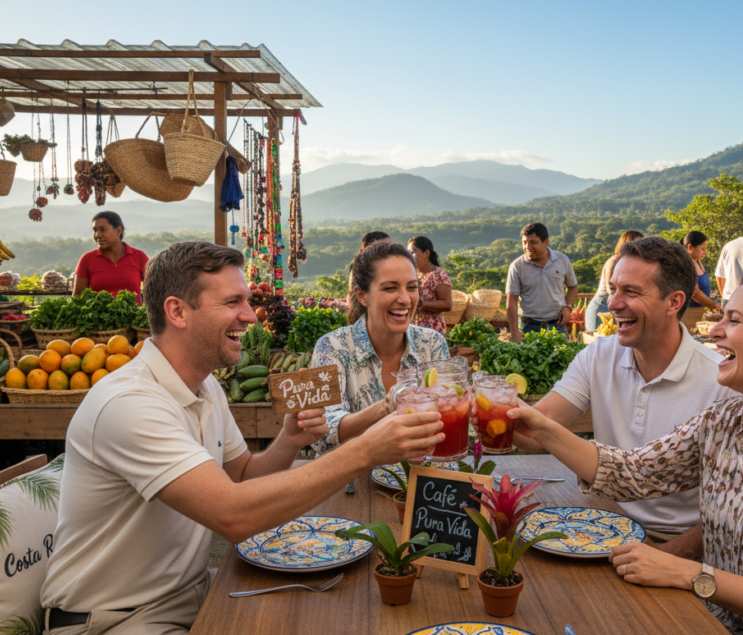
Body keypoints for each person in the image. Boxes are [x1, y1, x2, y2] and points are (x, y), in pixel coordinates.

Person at [40, 242, 442, 635]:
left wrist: (289, 440)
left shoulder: (203, 385)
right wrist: (367, 449)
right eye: (233, 303)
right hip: (115, 617)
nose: (250, 316)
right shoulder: (129, 404)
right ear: (177, 311)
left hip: (188, 594)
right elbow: (234, 515)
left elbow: (244, 475)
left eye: (247, 301)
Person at [508, 270, 743, 634]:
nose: (716, 331)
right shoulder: (724, 422)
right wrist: (540, 425)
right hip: (715, 622)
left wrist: (689, 573)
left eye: (733, 321)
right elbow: (632, 473)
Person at [501, 236, 735, 558]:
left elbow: (729, 514)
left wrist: (665, 558)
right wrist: (490, 408)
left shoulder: (721, 382)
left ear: (674, 302)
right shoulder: (598, 354)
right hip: (602, 524)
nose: (612, 304)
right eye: (613, 289)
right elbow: (533, 431)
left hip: (678, 547)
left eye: (631, 292)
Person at [312, 241, 451, 454]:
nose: (405, 299)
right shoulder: (333, 347)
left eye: (412, 287)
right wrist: (385, 407)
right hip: (353, 482)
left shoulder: (432, 344)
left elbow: (447, 416)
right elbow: (323, 435)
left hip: (419, 477)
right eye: (389, 288)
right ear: (362, 296)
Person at [506, 222, 578, 342]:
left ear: (546, 242)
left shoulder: (562, 260)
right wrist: (515, 332)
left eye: (533, 242)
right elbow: (511, 300)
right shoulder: (517, 266)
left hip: (557, 326)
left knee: (564, 360)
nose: (528, 247)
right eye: (524, 242)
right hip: (528, 327)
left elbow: (572, 286)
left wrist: (568, 307)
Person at [73, 211, 149, 304]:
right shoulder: (87, 259)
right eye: (95, 230)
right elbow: (78, 296)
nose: (97, 235)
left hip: (132, 317)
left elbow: (155, 289)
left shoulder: (139, 257)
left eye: (103, 230)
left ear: (118, 231)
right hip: (97, 318)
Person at [585, 230, 643, 332]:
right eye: (636, 243)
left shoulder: (628, 263)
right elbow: (610, 289)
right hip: (601, 307)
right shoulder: (614, 261)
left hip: (615, 307)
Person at [408, 235, 453, 334]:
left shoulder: (438, 274)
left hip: (432, 331)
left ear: (426, 253)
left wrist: (419, 303)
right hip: (412, 329)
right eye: (409, 253)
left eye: (413, 252)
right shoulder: (413, 273)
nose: (410, 256)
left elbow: (447, 304)